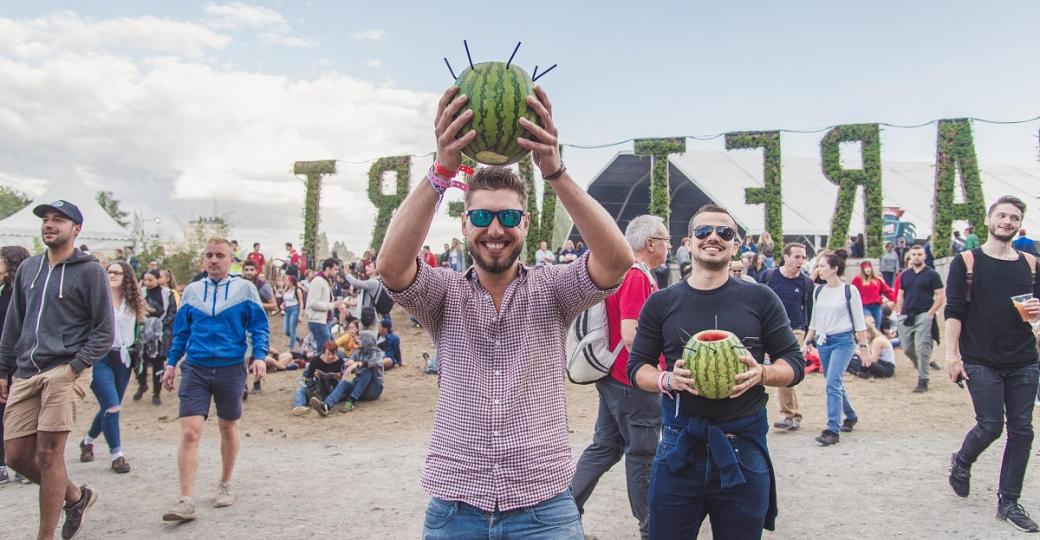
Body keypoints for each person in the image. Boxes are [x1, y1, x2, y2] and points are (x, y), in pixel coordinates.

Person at [379, 85, 632, 538]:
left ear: (526, 224)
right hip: (457, 506)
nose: (495, 229)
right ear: (464, 223)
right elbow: (392, 267)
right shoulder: (444, 296)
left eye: (509, 218)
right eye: (481, 218)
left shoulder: (553, 289)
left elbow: (616, 261)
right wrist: (441, 172)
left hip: (543, 506)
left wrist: (554, 171)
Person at [627, 203, 805, 539]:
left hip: (743, 449)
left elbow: (793, 364)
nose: (714, 237)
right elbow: (638, 368)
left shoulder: (761, 299)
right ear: (688, 242)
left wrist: (763, 374)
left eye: (725, 233)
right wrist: (667, 379)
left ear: (736, 246)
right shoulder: (661, 303)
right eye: (703, 232)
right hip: (680, 448)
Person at [0, 200, 113, 539]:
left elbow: (104, 331)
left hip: (66, 370)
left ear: (76, 229)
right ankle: (77, 497)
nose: (49, 224)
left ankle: (44, 536)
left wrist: (75, 367)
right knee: (16, 456)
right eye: (46, 220)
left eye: (59, 220)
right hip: (26, 371)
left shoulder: (91, 271)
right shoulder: (28, 269)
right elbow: (13, 324)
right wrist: (3, 369)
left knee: (50, 454)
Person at [945, 195, 1040, 532]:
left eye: (1014, 217)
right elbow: (954, 311)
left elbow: (1036, 312)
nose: (1007, 222)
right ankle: (962, 461)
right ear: (989, 220)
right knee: (990, 425)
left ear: (1019, 224)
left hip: (1024, 360)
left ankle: (1009, 502)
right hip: (980, 358)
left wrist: (1037, 315)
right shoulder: (967, 261)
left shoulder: (1030, 264)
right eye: (1002, 215)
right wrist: (951, 356)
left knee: (1023, 430)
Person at [571, 214, 668, 539]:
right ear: (651, 243)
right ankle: (651, 529)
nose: (668, 245)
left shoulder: (624, 272)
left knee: (606, 446)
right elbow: (631, 332)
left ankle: (563, 513)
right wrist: (657, 367)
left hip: (614, 375)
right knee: (643, 454)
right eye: (665, 239)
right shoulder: (638, 276)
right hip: (633, 380)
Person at [159, 238, 269, 523]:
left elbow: (259, 326)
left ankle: (225, 482)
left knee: (228, 425)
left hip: (231, 367)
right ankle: (186, 499)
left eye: (220, 255)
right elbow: (181, 332)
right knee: (190, 431)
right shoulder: (192, 292)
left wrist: (259, 356)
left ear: (230, 259)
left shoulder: (244, 289)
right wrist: (171, 363)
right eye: (209, 255)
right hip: (195, 367)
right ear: (203, 259)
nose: (214, 260)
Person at [79, 261, 147, 474]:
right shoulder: (96, 298)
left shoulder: (133, 302)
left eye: (117, 272)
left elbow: (137, 330)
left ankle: (87, 441)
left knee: (111, 405)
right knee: (111, 405)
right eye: (109, 272)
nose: (112, 275)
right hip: (99, 357)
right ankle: (117, 454)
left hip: (124, 358)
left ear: (126, 276)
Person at [803, 250, 869, 446]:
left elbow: (859, 321)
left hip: (843, 341)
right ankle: (850, 415)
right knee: (834, 381)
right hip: (824, 342)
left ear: (834, 269)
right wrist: (807, 342)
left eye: (822, 266)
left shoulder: (850, 291)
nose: (819, 269)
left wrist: (864, 347)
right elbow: (814, 320)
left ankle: (832, 429)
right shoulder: (818, 291)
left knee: (832, 382)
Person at [761, 243, 814, 433]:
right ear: (786, 257)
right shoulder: (769, 276)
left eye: (803, 257)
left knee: (786, 368)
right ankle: (793, 414)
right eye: (797, 257)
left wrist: (808, 338)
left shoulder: (806, 283)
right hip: (769, 329)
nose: (801, 261)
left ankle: (788, 414)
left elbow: (809, 311)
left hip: (795, 330)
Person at [895, 245, 945, 393]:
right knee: (907, 348)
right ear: (909, 256)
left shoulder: (932, 275)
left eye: (919, 254)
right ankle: (924, 364)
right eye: (914, 254)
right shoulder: (905, 275)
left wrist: (931, 312)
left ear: (924, 256)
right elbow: (901, 294)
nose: (916, 257)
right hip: (906, 314)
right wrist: (899, 311)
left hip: (924, 313)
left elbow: (940, 295)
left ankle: (923, 379)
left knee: (922, 347)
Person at [0, 245, 31, 485]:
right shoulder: (2, 291)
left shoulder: (21, 292)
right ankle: (3, 464)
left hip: (19, 360)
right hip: (3, 358)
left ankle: (24, 464)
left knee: (20, 413)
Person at [310, 330, 385, 415]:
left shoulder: (378, 353)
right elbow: (347, 364)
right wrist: (348, 364)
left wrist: (358, 364)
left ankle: (351, 401)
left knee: (367, 370)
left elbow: (374, 363)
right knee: (344, 383)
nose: (357, 339)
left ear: (367, 341)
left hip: (373, 390)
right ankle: (326, 406)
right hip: (359, 388)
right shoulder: (357, 352)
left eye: (360, 338)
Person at [133, 270, 177, 406]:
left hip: (160, 335)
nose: (147, 283)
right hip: (143, 333)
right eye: (145, 280)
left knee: (158, 363)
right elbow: (135, 310)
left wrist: (158, 325)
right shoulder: (140, 293)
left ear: (158, 279)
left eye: (150, 280)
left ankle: (156, 393)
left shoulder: (167, 294)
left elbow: (172, 313)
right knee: (140, 362)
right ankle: (142, 385)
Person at [291, 340, 346, 416]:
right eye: (328, 354)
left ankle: (320, 403)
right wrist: (315, 376)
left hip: (329, 388)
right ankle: (300, 406)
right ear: (324, 352)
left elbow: (342, 382)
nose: (331, 357)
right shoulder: (316, 360)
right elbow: (308, 377)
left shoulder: (340, 362)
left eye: (333, 354)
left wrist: (338, 376)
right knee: (300, 389)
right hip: (316, 386)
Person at [304, 258, 343, 354]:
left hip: (324, 321)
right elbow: (313, 303)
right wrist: (332, 305)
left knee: (330, 349)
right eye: (335, 269)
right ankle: (318, 368)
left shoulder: (325, 281)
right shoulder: (318, 281)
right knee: (325, 352)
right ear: (328, 268)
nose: (336, 272)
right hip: (318, 321)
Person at [851, 260, 896, 326]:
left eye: (869, 267)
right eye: (865, 268)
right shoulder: (857, 280)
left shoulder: (877, 280)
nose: (867, 269)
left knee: (876, 326)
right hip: (864, 306)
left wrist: (896, 300)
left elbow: (887, 291)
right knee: (869, 323)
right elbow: (852, 293)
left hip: (876, 306)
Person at [281, 275, 305, 352]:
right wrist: (282, 304)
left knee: (292, 330)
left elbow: (301, 303)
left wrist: (300, 315)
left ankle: (290, 349)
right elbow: (285, 299)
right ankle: (300, 339)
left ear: (291, 282)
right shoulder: (286, 289)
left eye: (286, 281)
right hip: (287, 310)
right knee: (286, 331)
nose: (285, 282)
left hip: (295, 310)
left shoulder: (297, 290)